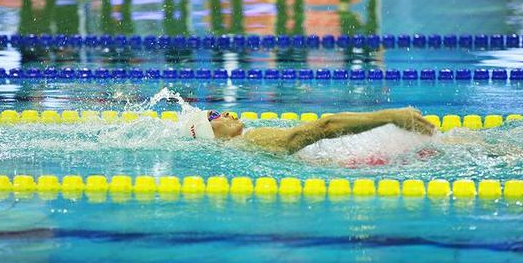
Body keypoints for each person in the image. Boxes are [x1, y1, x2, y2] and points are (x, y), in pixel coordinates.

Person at [179, 108, 436, 154]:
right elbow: (323, 128)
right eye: (213, 116)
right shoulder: (250, 140)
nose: (223, 113)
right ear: (209, 134)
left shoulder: (245, 146)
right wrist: (390, 117)